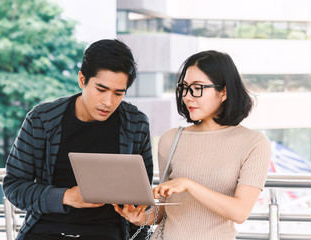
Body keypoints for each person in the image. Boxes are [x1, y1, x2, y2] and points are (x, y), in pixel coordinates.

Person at [2, 39, 153, 240]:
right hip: (47, 231)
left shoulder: (136, 124)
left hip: (107, 234)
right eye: (101, 89)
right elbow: (14, 186)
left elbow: (142, 195)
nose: (108, 102)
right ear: (82, 79)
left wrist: (137, 212)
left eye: (118, 93)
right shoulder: (42, 119)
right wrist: (66, 197)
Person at [114, 50, 271, 240]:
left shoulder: (253, 143)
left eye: (197, 88)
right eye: (184, 87)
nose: (187, 97)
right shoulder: (171, 139)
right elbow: (163, 212)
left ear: (224, 92)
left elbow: (239, 212)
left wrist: (189, 184)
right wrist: (141, 218)